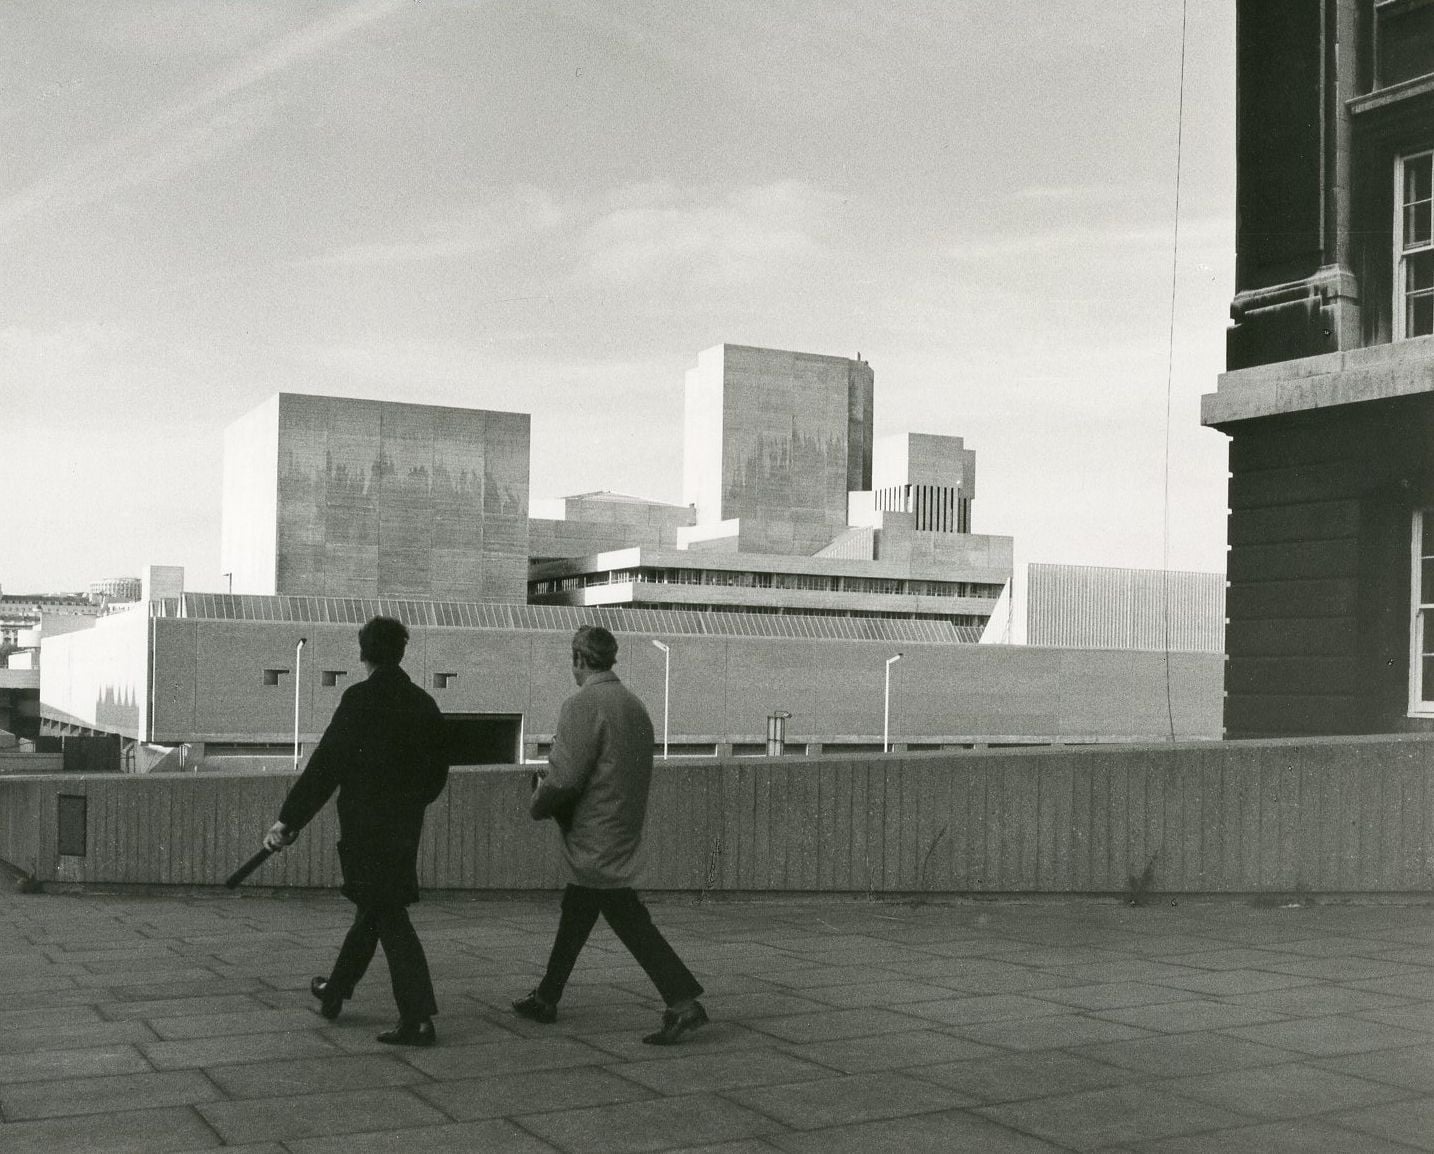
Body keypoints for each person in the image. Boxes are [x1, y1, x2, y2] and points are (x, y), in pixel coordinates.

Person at [514, 624, 707, 1045]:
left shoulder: (582, 705)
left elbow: (565, 778)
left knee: (624, 916)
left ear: (578, 658)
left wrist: (538, 802)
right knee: (579, 908)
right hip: (622, 826)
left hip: (593, 831)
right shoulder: (633, 705)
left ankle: (683, 1002)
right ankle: (546, 996)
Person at [263, 615, 449, 1047]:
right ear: (401, 651)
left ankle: (418, 1017)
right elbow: (436, 772)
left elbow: (326, 766)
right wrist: (410, 805)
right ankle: (336, 990)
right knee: (375, 907)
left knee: (386, 913)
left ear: (364, 652)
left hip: (364, 828)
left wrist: (289, 821)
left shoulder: (359, 700)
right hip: (404, 827)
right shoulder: (423, 703)